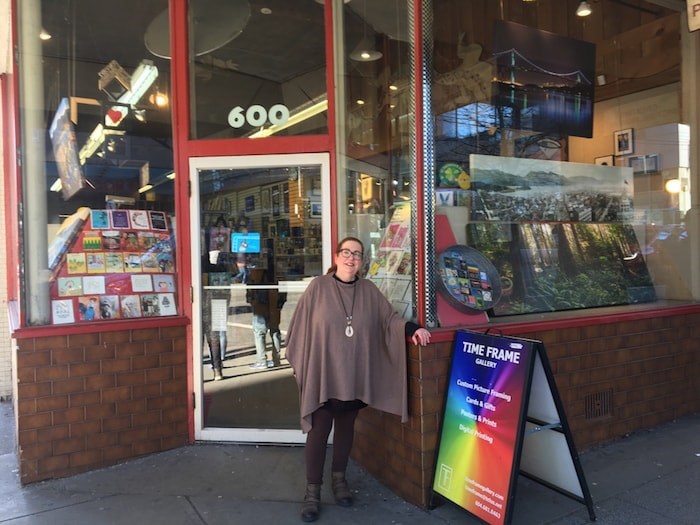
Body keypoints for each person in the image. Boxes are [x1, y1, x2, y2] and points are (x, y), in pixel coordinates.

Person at [285, 236, 431, 522]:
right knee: (318, 431)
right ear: (337, 256)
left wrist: (414, 329)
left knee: (346, 429)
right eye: (347, 253)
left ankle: (340, 481)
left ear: (362, 261)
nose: (351, 258)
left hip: (354, 376)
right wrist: (304, 366)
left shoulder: (368, 290)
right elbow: (298, 328)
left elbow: (389, 319)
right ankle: (312, 492)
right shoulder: (319, 287)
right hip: (325, 374)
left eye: (358, 254)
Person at [246, 268, 286, 369]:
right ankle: (276, 359)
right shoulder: (276, 274)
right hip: (273, 306)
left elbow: (250, 291)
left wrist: (252, 300)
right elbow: (283, 292)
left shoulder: (255, 274)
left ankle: (262, 360)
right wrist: (279, 304)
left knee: (259, 333)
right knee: (275, 331)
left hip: (260, 307)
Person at [201, 251, 231, 381]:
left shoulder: (198, 269)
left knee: (200, 340)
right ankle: (218, 370)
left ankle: (202, 371)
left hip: (203, 306)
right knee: (215, 340)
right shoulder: (219, 270)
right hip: (218, 305)